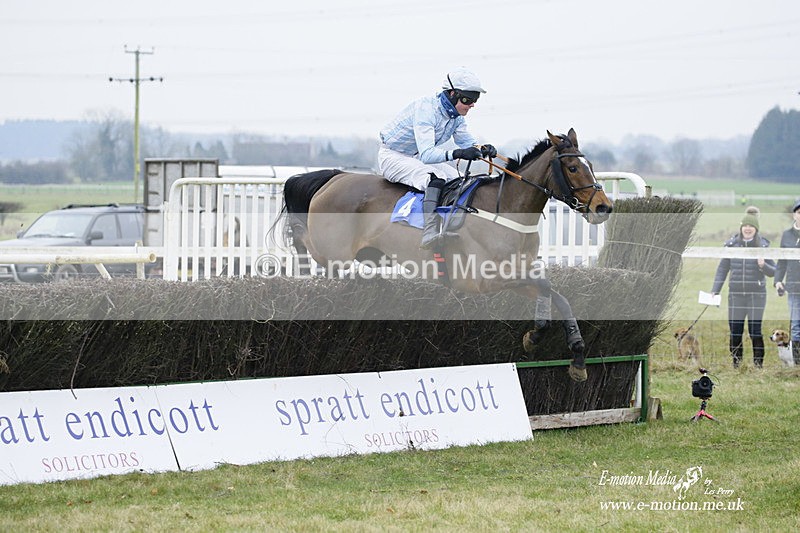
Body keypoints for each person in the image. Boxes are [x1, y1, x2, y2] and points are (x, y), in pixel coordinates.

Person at [378, 67, 497, 249]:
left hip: (414, 157)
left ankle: (453, 226)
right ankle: (429, 232)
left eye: (475, 100)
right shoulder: (426, 110)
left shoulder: (455, 116)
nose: (472, 104)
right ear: (451, 94)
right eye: (468, 99)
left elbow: (466, 142)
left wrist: (481, 149)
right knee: (436, 178)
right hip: (392, 157)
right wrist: (457, 153)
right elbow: (427, 154)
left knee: (459, 180)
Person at [711, 207, 776, 368]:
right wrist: (715, 290)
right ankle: (737, 364)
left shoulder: (763, 247)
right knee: (735, 331)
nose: (748, 229)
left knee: (755, 331)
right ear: (741, 228)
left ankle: (758, 364)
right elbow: (722, 269)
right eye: (745, 226)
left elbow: (773, 271)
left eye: (751, 226)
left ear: (756, 229)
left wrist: (763, 265)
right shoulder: (732, 245)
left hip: (757, 295)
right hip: (736, 295)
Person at [774, 199, 800, 365]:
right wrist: (777, 280)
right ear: (794, 214)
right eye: (799, 212)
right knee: (796, 327)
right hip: (794, 288)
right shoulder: (787, 235)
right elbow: (782, 261)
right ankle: (798, 365)